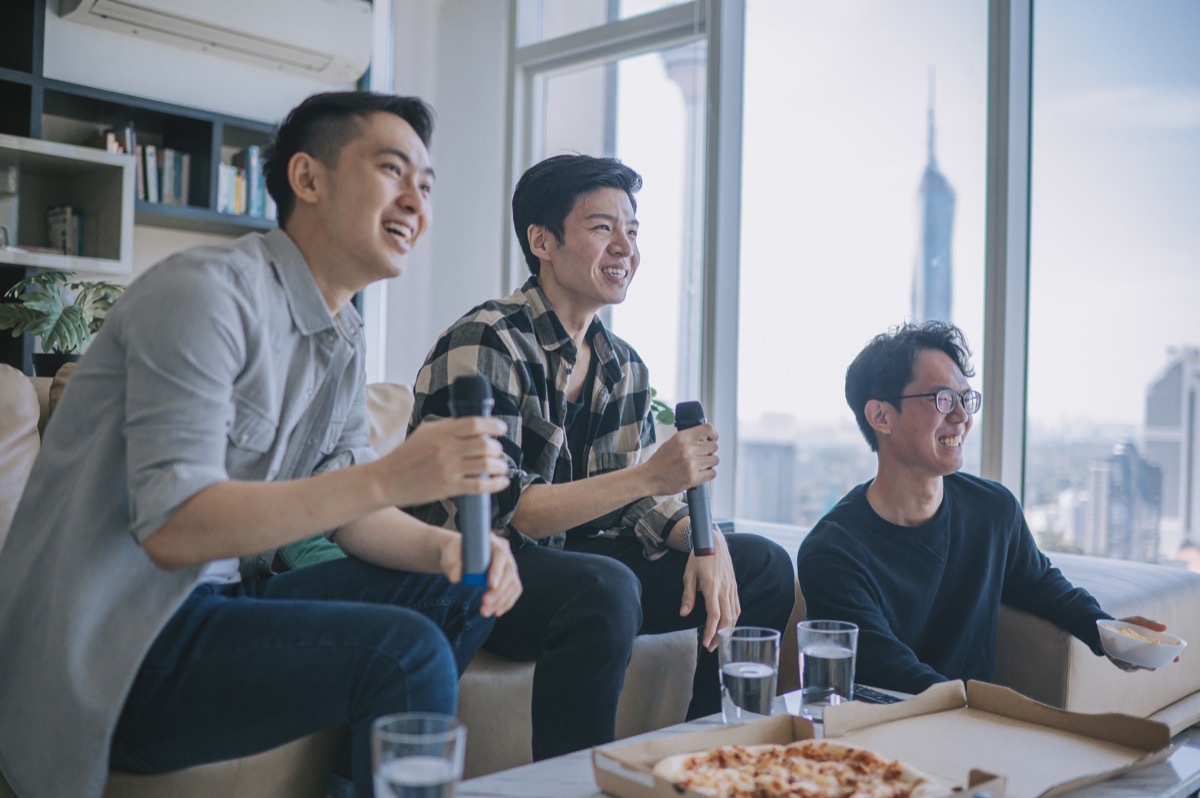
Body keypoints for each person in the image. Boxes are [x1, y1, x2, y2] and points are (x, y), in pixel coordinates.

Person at [0, 91, 522, 798]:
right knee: (406, 652)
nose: (415, 202)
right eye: (393, 171)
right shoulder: (204, 293)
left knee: (460, 591)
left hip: (222, 604)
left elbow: (346, 510)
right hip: (116, 641)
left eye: (425, 186)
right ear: (307, 180)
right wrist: (391, 477)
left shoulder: (343, 337)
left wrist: (447, 548)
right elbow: (173, 526)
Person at [407, 154, 795, 759]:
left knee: (761, 562)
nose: (625, 247)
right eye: (601, 227)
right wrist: (650, 474)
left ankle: (706, 753)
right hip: (479, 567)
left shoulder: (624, 365)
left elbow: (637, 503)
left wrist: (703, 539)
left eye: (633, 230)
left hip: (578, 561)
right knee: (604, 585)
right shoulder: (486, 339)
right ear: (543, 240)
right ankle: (570, 781)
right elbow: (504, 512)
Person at [795, 320, 1171, 695]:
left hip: (974, 736)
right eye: (942, 399)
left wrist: (1107, 632)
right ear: (881, 417)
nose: (961, 416)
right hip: (881, 737)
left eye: (965, 398)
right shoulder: (832, 552)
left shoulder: (992, 511)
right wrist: (997, 717)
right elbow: (889, 671)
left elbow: (1043, 585)